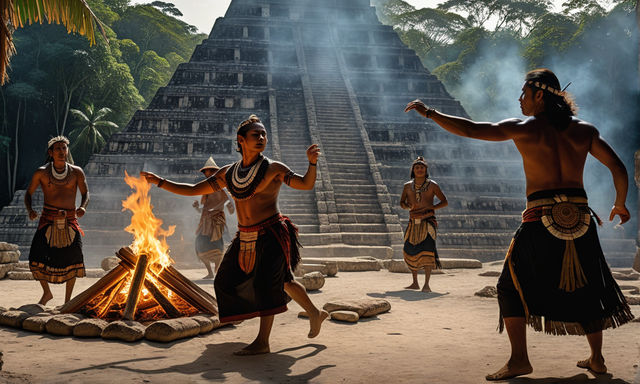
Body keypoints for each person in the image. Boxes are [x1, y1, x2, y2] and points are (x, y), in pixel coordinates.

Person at [405, 68, 634, 381]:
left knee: (509, 286)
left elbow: (472, 130)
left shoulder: (523, 128)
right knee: (588, 286)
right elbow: (619, 168)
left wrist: (430, 113)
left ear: (540, 95)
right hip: (581, 218)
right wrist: (619, 203)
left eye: (524, 94)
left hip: (540, 219)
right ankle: (597, 358)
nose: (519, 99)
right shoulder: (585, 131)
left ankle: (519, 360)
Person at [141, 114, 329, 355]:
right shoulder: (228, 173)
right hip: (245, 235)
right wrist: (160, 181)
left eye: (264, 134)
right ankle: (314, 312)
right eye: (255, 135)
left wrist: (312, 163)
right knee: (228, 280)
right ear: (241, 140)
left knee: (268, 284)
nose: (261, 138)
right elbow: (194, 189)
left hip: (271, 232)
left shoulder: (274, 168)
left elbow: (305, 184)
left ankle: (263, 342)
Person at [25, 136, 89, 305]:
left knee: (75, 259)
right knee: (35, 257)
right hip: (47, 220)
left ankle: (68, 301)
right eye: (58, 149)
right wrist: (30, 210)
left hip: (70, 220)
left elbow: (85, 193)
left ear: (67, 151)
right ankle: (47, 293)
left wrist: (83, 207)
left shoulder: (77, 172)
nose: (61, 152)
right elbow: (28, 193)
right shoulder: (41, 172)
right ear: (51, 153)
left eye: (64, 148)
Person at [400, 156, 448, 292]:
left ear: (425, 169)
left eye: (422, 167)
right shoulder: (407, 186)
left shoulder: (432, 185)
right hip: (413, 221)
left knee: (427, 251)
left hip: (428, 222)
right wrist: (406, 206)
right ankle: (415, 282)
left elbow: (444, 201)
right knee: (409, 250)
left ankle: (426, 284)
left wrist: (431, 209)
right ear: (413, 170)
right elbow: (402, 202)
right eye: (417, 167)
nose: (419, 170)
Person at [193, 156, 235, 279]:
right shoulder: (206, 189)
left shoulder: (223, 189)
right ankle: (211, 272)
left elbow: (230, 209)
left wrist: (223, 206)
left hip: (216, 222)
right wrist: (197, 208)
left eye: (209, 171)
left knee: (217, 246)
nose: (207, 174)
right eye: (206, 172)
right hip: (206, 222)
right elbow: (204, 209)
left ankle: (217, 271)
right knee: (199, 245)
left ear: (214, 172)